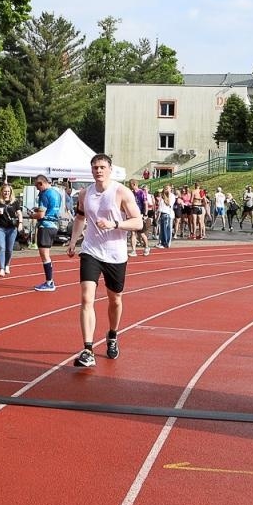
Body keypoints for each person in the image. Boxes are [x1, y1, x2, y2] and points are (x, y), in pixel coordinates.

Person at [68, 154, 144, 368]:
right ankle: (88, 349)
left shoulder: (121, 192)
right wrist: (74, 241)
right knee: (86, 298)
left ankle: (112, 335)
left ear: (110, 169)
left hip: (115, 254)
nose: (98, 171)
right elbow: (80, 218)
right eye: (94, 168)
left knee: (115, 299)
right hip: (91, 251)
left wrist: (115, 224)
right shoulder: (85, 193)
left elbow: (138, 222)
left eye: (102, 167)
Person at [32, 173, 65, 291]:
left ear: (41, 183)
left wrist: (32, 215)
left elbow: (41, 214)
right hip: (54, 226)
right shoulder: (57, 193)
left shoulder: (45, 194)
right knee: (46, 255)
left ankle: (49, 282)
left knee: (45, 256)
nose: (37, 189)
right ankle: (49, 281)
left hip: (45, 226)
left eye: (37, 186)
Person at [0, 182, 22, 277]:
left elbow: (19, 213)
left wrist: (20, 223)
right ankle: (1, 268)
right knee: (1, 247)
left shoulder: (15, 202)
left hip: (12, 228)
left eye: (8, 191)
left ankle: (7, 264)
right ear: (1, 192)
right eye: (5, 191)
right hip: (0, 227)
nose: (6, 193)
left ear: (11, 192)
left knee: (9, 249)